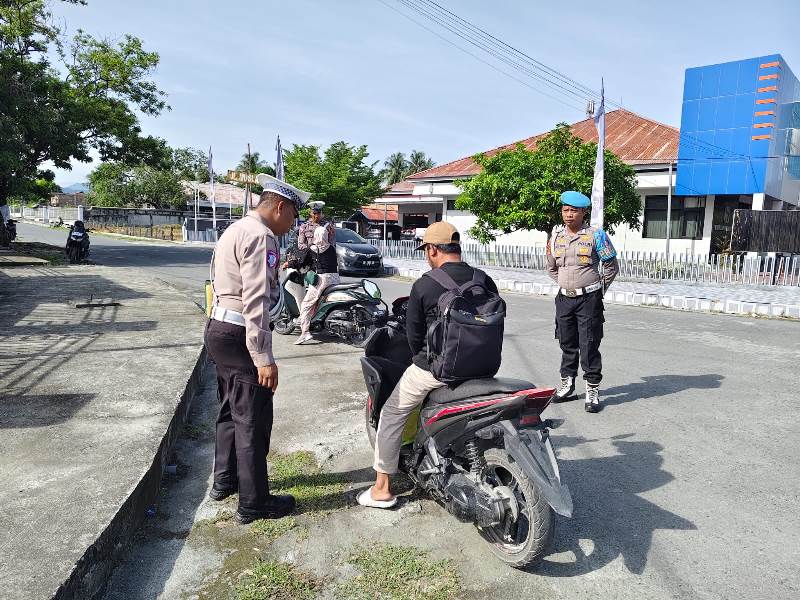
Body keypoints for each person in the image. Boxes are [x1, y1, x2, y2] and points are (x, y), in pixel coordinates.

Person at [358, 221, 499, 508]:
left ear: (433, 249)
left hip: (439, 372)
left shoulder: (425, 284)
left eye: (426, 250)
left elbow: (414, 337)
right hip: (485, 368)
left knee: (392, 412)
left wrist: (423, 359)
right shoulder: (484, 279)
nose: (426, 255)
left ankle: (382, 488)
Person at [205, 173, 309, 524]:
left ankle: (225, 479)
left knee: (229, 408)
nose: (293, 223)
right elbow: (256, 301)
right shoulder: (263, 236)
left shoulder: (234, 229)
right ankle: (254, 502)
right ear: (279, 207)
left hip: (219, 328)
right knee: (252, 417)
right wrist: (263, 357)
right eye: (293, 214)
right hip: (240, 334)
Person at [546, 191, 619, 413]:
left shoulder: (597, 236)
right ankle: (567, 385)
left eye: (574, 211)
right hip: (564, 299)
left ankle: (592, 390)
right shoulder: (555, 238)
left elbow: (611, 266)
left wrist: (597, 289)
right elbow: (551, 268)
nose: (569, 214)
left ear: (583, 212)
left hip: (589, 299)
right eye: (565, 210)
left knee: (589, 344)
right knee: (566, 342)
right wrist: (567, 284)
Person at [294, 201, 340, 345]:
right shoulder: (305, 227)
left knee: (307, 303)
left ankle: (305, 332)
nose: (316, 215)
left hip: (318, 272)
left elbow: (303, 257)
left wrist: (290, 262)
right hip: (331, 274)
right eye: (314, 213)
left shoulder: (327, 227)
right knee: (317, 299)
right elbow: (301, 245)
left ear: (321, 214)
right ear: (311, 213)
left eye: (318, 213)